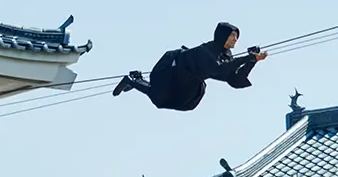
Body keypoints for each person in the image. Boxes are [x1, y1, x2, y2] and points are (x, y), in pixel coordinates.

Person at [112, 22, 268, 111]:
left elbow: (235, 80)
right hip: (170, 68)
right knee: (160, 98)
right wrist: (247, 57)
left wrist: (251, 61)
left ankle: (136, 80)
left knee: (184, 104)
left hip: (189, 81)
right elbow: (217, 69)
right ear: (222, 35)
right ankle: (132, 80)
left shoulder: (226, 55)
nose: (235, 39)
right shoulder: (205, 51)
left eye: (236, 36)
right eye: (232, 35)